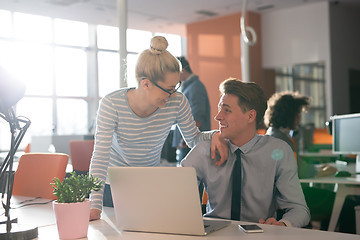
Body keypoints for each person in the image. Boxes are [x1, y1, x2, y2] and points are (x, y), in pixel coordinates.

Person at [89, 36, 228, 221]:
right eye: (168, 89)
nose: (173, 94)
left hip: (150, 183)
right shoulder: (112, 103)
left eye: (176, 86)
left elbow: (194, 139)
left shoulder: (177, 101)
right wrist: (94, 205)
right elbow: (100, 156)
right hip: (112, 187)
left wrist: (217, 135)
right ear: (146, 83)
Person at [181, 78, 310, 227]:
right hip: (214, 234)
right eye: (219, 109)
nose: (218, 116)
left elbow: (299, 209)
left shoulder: (278, 151)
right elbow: (175, 195)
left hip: (259, 234)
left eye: (227, 110)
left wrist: (283, 224)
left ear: (250, 116)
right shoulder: (204, 150)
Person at [172, 56, 211, 163]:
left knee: (187, 177)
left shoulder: (195, 87)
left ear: (182, 70)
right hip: (187, 143)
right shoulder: (188, 87)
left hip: (190, 144)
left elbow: (198, 115)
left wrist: (185, 141)